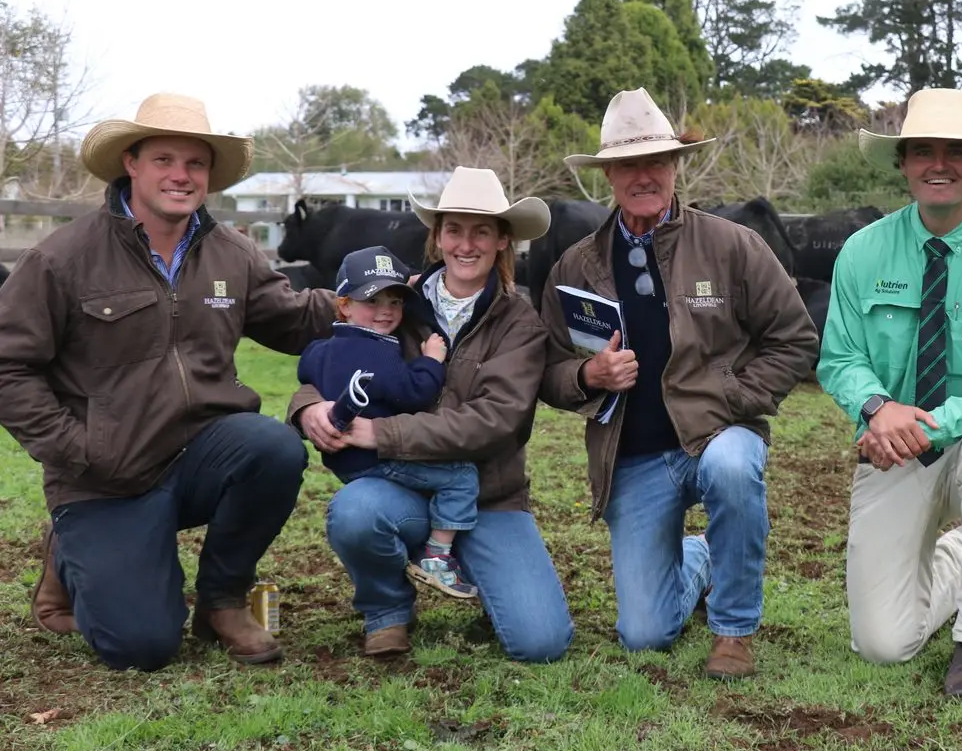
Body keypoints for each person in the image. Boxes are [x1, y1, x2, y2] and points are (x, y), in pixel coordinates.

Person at [0, 93, 337, 670]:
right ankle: (71, 551)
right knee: (143, 647)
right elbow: (8, 365)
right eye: (164, 160)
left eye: (196, 163)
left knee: (274, 447)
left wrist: (370, 303)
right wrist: (73, 449)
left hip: (201, 453)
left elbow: (294, 317)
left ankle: (222, 600)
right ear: (130, 164)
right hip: (106, 476)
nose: (181, 176)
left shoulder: (232, 254)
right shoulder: (62, 259)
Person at [539, 87, 819, 680]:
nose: (644, 176)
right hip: (633, 457)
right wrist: (588, 374)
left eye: (656, 161)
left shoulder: (731, 245)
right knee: (645, 635)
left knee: (734, 469)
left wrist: (735, 400)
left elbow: (794, 338)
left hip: (717, 436)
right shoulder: (575, 266)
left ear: (675, 167)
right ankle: (701, 558)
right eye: (629, 165)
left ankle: (733, 630)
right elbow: (548, 369)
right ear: (608, 175)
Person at [817, 87, 962, 697]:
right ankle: (957, 557)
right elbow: (840, 358)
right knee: (882, 645)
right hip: (892, 449)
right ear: (903, 163)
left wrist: (927, 423)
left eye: (956, 150)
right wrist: (876, 408)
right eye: (922, 150)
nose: (938, 163)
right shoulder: (862, 253)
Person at [291, 166, 574, 661]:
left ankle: (480, 569)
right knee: (355, 513)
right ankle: (387, 611)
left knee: (541, 642)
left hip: (488, 497)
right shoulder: (396, 301)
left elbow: (495, 422)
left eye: (482, 230)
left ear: (503, 240)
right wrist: (308, 406)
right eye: (454, 229)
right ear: (437, 237)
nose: (467, 244)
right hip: (402, 486)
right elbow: (333, 354)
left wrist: (380, 431)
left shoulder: (520, 322)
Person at [297, 244, 481, 600]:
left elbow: (305, 371)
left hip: (345, 463)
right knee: (462, 478)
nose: (386, 312)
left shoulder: (319, 350)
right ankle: (438, 555)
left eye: (395, 302)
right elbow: (415, 392)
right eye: (373, 301)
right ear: (344, 304)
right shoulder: (379, 351)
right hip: (379, 459)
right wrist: (432, 360)